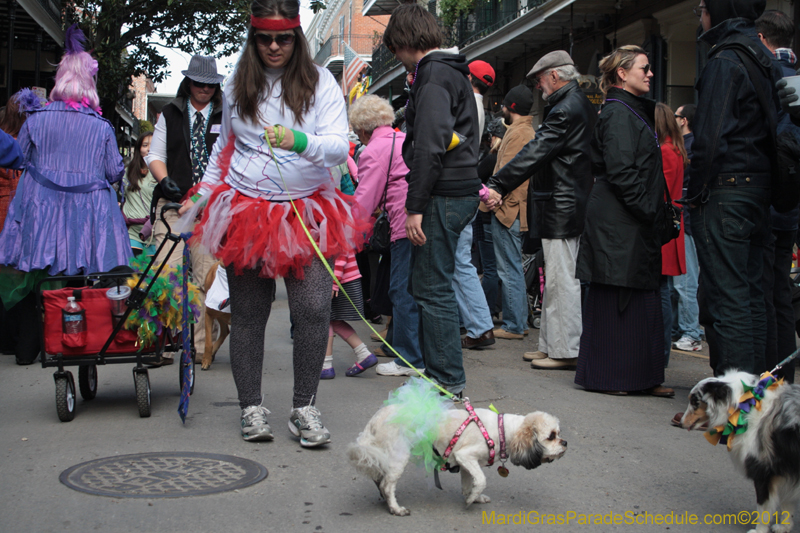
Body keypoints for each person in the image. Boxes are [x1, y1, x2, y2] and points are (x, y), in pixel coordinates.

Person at [186, 0, 365, 446]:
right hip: (248, 213)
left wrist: (297, 140)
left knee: (312, 310)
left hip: (308, 212)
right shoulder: (234, 85)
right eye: (264, 38)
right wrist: (197, 203)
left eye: (282, 38)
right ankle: (251, 408)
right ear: (253, 38)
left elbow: (340, 147)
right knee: (248, 315)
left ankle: (304, 408)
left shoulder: (320, 82)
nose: (273, 47)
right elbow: (222, 152)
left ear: (296, 38)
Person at [0, 25, 130, 365]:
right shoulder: (101, 127)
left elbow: (22, 158)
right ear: (90, 84)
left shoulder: (36, 120)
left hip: (42, 213)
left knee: (40, 278)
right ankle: (79, 342)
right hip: (87, 215)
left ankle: (32, 347)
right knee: (81, 281)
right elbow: (115, 171)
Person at [383, 3, 482, 396]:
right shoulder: (448, 71)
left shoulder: (434, 74)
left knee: (431, 288)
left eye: (394, 47)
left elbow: (429, 145)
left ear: (404, 41)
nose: (395, 55)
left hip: (443, 194)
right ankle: (443, 378)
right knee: (433, 285)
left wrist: (414, 207)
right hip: (455, 191)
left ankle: (446, 382)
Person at [572, 45, 673, 397]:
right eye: (643, 68)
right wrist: (649, 210)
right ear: (621, 74)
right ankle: (615, 378)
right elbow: (622, 171)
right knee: (619, 300)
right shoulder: (617, 113)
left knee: (638, 300)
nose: (650, 73)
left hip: (628, 220)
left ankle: (640, 377)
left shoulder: (627, 110)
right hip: (621, 221)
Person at [487, 50, 596, 369]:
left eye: (540, 80)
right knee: (557, 279)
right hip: (563, 201)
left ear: (554, 76)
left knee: (562, 281)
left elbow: (535, 152)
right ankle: (553, 345)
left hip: (562, 203)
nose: (538, 86)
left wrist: (498, 183)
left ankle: (565, 350)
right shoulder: (574, 104)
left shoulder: (566, 108)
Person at [688, 0, 779, 376]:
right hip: (758, 190)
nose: (701, 13)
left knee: (731, 300)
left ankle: (738, 402)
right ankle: (757, 398)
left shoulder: (725, 60)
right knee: (752, 298)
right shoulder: (762, 55)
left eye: (704, 7)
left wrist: (694, 194)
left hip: (728, 192)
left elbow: (710, 138)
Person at [145, 54, 224, 367]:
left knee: (208, 278)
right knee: (167, 272)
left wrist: (204, 196)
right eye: (198, 82)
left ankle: (202, 347)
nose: (203, 88)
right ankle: (169, 342)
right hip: (174, 206)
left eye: (210, 84)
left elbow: (230, 161)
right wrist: (165, 181)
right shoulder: (170, 112)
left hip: (212, 210)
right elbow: (155, 154)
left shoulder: (226, 114)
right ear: (189, 82)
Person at [349, 95, 424, 377]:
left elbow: (365, 201)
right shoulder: (404, 138)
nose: (360, 138)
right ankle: (417, 354)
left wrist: (343, 236)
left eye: (358, 133)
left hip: (405, 224)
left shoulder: (374, 149)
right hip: (425, 219)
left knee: (401, 292)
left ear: (364, 129)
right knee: (421, 291)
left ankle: (410, 360)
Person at [756, 9, 798, 383]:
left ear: (762, 38)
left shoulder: (767, 77)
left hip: (766, 201)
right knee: (780, 293)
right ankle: (784, 375)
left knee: (762, 291)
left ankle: (769, 377)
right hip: (791, 204)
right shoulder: (797, 80)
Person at [485, 85, 534, 342]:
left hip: (508, 209)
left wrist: (494, 201)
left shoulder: (519, 133)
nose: (501, 109)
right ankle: (518, 322)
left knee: (509, 268)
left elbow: (507, 174)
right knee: (510, 267)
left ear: (512, 108)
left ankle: (514, 324)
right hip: (509, 208)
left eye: (504, 105)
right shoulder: (519, 131)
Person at [655, 102, 687, 367]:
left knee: (661, 292)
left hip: (663, 225)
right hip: (672, 222)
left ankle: (660, 355)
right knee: (664, 291)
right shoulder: (674, 148)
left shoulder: (665, 150)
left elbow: (660, 192)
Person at [671, 103, 703, 352]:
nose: (673, 118)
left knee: (685, 281)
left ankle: (691, 332)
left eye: (676, 115)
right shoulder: (687, 146)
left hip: (686, 221)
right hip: (685, 219)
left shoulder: (689, 148)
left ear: (683, 121)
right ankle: (686, 328)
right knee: (682, 280)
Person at [122, 131, 157, 256]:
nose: (148, 149)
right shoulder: (127, 171)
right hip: (131, 232)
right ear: (138, 148)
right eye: (145, 145)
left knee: (150, 273)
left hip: (154, 232)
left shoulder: (161, 173)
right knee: (133, 273)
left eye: (152, 145)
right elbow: (122, 197)